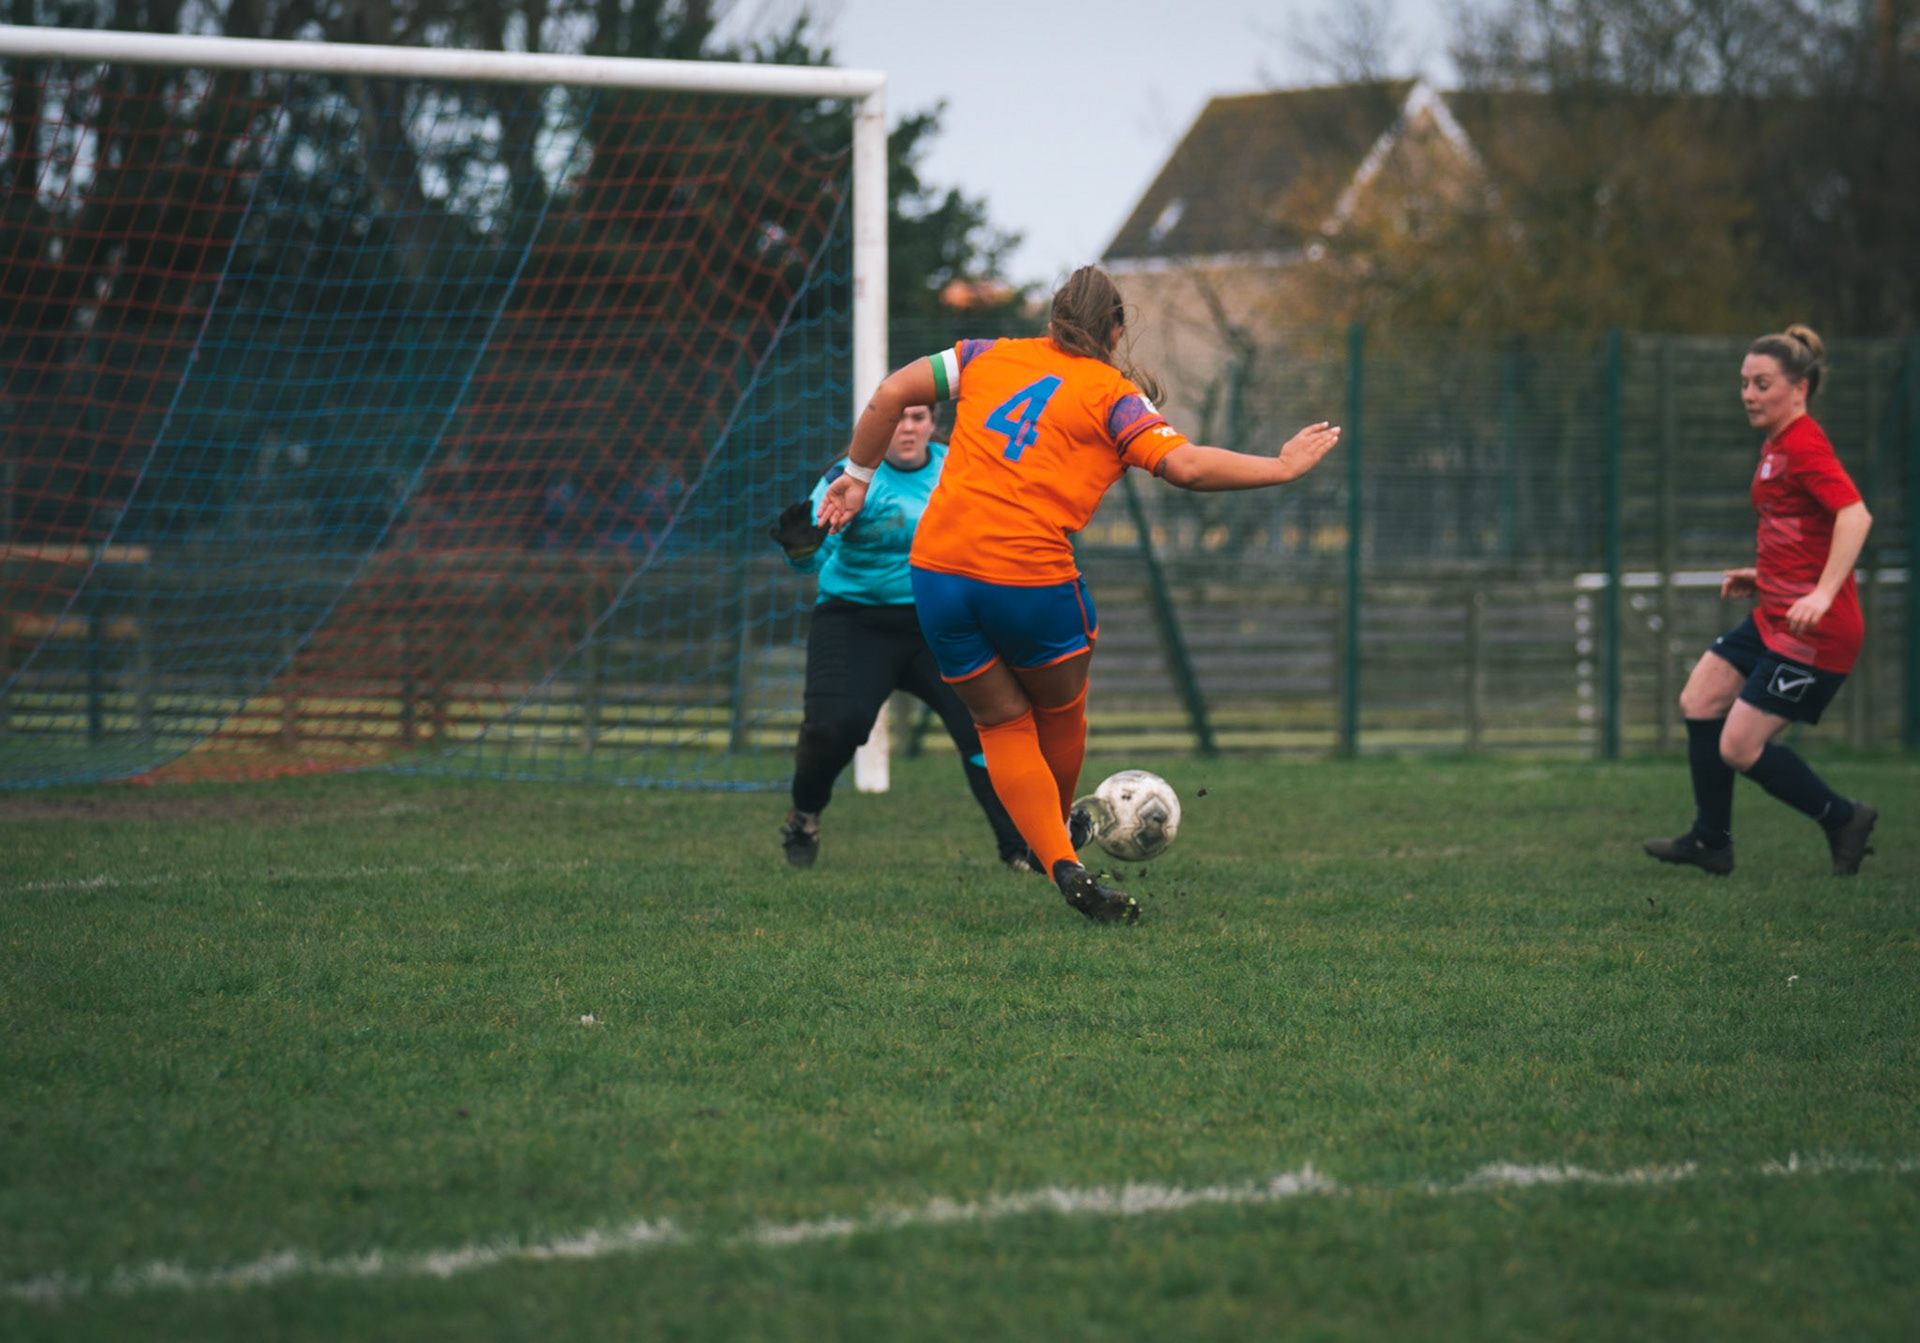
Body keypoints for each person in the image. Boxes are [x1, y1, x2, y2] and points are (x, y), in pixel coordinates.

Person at [818, 265, 1341, 923]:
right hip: (1028, 578)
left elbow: (894, 389)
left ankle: (1059, 860)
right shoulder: (1114, 394)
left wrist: (858, 475)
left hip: (939, 572)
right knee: (1059, 712)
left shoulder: (986, 356)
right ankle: (1062, 837)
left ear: (1051, 319)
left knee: (1001, 723)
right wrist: (1283, 466)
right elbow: (1187, 466)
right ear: (1116, 331)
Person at [1644, 324, 1878, 876]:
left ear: (1799, 388)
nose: (1749, 394)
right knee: (1700, 698)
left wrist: (1821, 593)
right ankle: (1711, 841)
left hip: (1815, 632)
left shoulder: (1803, 443)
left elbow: (1854, 515)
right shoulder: (1776, 443)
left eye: (1762, 383)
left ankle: (1843, 818)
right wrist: (1767, 575)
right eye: (1744, 383)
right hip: (1776, 610)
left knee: (1739, 748)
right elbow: (1802, 526)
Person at [769, 401, 1035, 872]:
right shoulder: (847, 477)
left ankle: (1020, 850)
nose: (907, 428)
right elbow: (811, 559)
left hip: (940, 622)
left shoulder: (960, 468)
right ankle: (804, 816)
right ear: (877, 425)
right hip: (855, 621)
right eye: (897, 419)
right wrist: (801, 549)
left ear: (932, 423)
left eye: (917, 417)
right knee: (834, 726)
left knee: (987, 730)